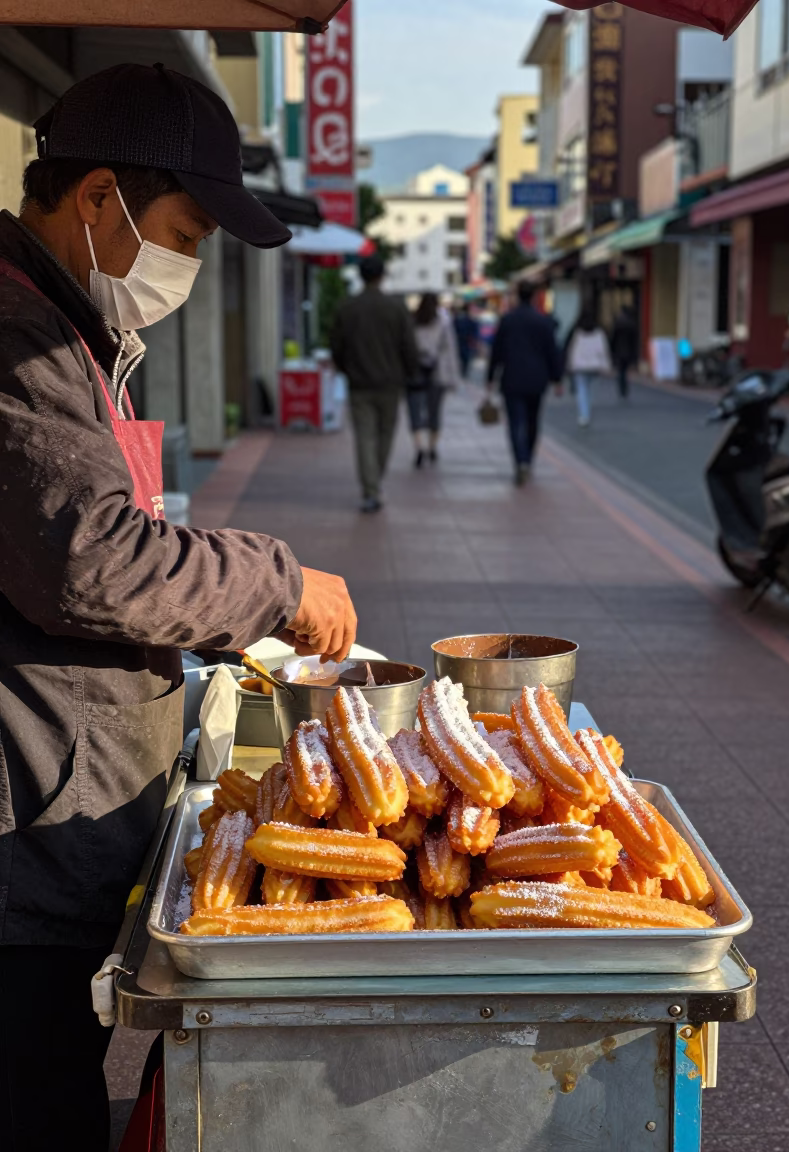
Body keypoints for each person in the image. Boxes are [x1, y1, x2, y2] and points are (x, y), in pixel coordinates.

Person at [0, 63, 357, 1152]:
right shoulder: (19, 340)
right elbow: (91, 563)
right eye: (187, 232)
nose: (190, 264)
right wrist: (278, 582)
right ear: (99, 199)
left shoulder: (66, 322)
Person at [331, 254, 418, 512]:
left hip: (359, 384)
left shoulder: (347, 307)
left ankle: (371, 487)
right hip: (391, 383)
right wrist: (410, 374)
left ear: (361, 275)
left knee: (364, 437)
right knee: (385, 435)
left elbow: (337, 346)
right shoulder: (396, 307)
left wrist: (347, 369)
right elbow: (408, 346)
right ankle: (374, 484)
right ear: (382, 275)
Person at [487, 281, 561, 485]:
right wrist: (557, 378)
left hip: (511, 378)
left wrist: (490, 377)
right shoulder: (543, 321)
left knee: (514, 422)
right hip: (537, 379)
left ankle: (520, 460)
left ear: (518, 295)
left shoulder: (508, 320)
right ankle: (528, 457)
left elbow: (496, 351)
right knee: (532, 421)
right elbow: (552, 351)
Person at [407, 292, 461, 467]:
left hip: (414, 372)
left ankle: (419, 447)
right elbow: (451, 351)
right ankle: (432, 446)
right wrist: (454, 378)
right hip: (437, 373)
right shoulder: (443, 323)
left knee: (415, 410)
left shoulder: (411, 322)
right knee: (434, 411)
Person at [565, 309, 612, 427]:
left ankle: (584, 414)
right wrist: (606, 364)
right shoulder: (599, 332)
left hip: (579, 365)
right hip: (594, 365)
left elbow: (569, 348)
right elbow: (603, 350)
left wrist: (568, 364)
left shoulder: (576, 332)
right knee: (591, 389)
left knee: (581, 389)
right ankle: (587, 411)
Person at [610, 304, 639, 400]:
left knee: (621, 370)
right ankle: (624, 387)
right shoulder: (631, 323)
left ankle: (622, 387)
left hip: (619, 350)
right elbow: (635, 340)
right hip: (628, 351)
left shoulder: (618, 323)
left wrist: (612, 350)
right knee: (625, 370)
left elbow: (613, 338)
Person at [452, 302, 479, 378]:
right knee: (465, 362)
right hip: (466, 344)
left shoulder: (457, 320)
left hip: (459, 343)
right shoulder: (471, 321)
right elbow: (474, 335)